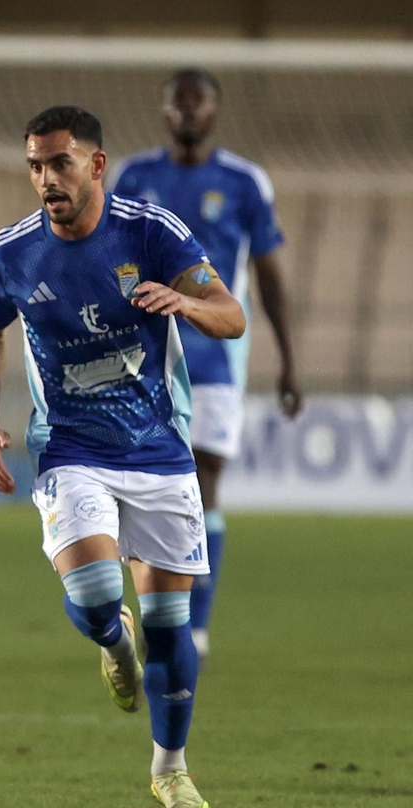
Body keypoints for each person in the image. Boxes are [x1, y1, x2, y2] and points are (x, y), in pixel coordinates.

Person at [0, 106, 245, 808]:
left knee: (172, 627)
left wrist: (182, 300)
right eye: (34, 165)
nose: (46, 179)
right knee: (95, 598)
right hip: (71, 449)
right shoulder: (10, 254)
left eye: (59, 163)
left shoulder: (151, 233)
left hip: (157, 449)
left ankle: (171, 770)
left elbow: (231, 314)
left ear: (95, 164)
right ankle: (111, 640)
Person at [108, 68, 303, 659]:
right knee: (139, 486)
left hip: (217, 356)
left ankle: (194, 625)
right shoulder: (133, 177)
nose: (188, 112)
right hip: (143, 356)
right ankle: (145, 608)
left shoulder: (244, 182)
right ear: (163, 111)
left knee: (202, 482)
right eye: (178, 103)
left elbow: (268, 275)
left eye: (198, 103)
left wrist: (289, 361)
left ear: (215, 112)